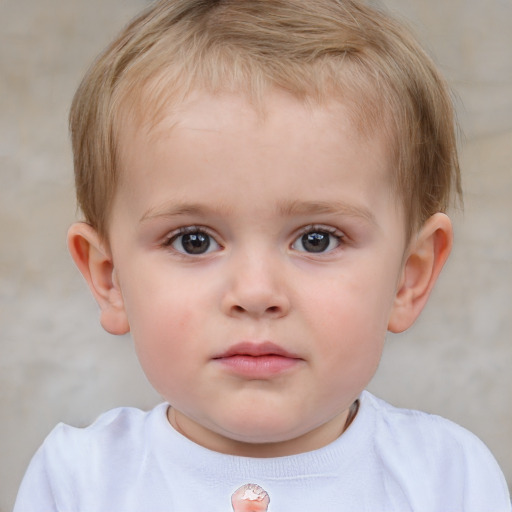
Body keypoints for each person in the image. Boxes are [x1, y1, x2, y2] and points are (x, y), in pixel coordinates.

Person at [14, 0, 511, 510]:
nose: (255, 293)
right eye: (193, 240)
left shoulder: (451, 479)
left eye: (317, 239)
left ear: (410, 276)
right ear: (109, 277)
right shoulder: (77, 481)